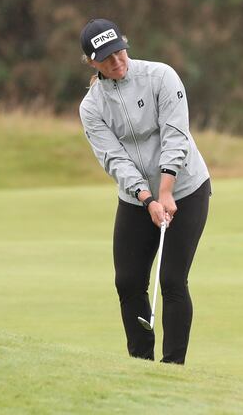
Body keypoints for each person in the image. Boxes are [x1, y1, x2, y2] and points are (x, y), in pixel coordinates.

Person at [78, 18, 211, 364]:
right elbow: (114, 159)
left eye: (119, 51)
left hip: (185, 188)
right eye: (106, 58)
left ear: (125, 45)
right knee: (128, 281)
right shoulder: (92, 107)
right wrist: (147, 198)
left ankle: (173, 369)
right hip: (137, 198)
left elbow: (176, 135)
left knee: (171, 279)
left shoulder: (161, 76)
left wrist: (165, 191)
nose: (117, 61)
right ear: (93, 63)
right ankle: (140, 365)